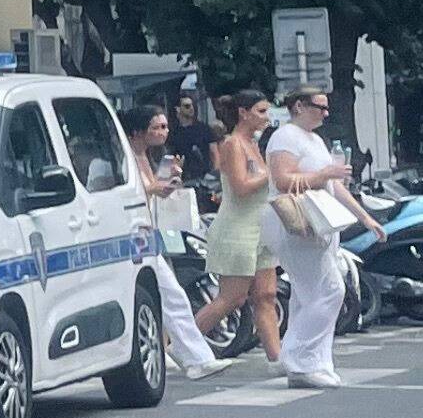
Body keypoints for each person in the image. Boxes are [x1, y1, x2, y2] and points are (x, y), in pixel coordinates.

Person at [264, 85, 355, 388]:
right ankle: (299, 358)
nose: (325, 113)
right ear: (299, 106)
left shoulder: (314, 139)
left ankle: (313, 360)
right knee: (330, 290)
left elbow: (335, 184)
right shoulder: (285, 137)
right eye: (320, 106)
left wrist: (364, 217)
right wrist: (324, 175)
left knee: (310, 295)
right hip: (298, 224)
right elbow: (282, 179)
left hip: (320, 224)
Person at [129, 98, 225, 375]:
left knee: (171, 295)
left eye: (165, 127)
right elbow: (138, 191)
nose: (163, 132)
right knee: (168, 295)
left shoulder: (146, 155)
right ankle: (192, 357)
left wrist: (166, 182)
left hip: (147, 235)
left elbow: (151, 190)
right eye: (156, 127)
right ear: (139, 131)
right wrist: (157, 187)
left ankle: (195, 356)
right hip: (133, 238)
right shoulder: (125, 156)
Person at [202, 88, 285, 368]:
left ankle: (278, 357)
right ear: (243, 113)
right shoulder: (233, 144)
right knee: (232, 298)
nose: (266, 118)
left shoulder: (254, 144)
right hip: (237, 229)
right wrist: (271, 175)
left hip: (259, 228)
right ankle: (177, 343)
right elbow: (240, 187)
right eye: (261, 112)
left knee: (266, 295)